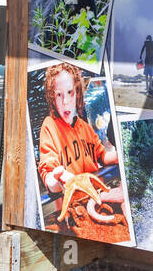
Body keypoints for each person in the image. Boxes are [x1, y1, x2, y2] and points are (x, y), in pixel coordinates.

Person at [38, 61, 119, 208]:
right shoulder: (49, 126)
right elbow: (48, 171)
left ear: (78, 93)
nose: (66, 101)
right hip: (71, 208)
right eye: (58, 95)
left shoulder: (85, 127)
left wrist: (120, 156)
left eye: (70, 92)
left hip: (95, 201)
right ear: (52, 98)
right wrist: (55, 179)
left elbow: (102, 155)